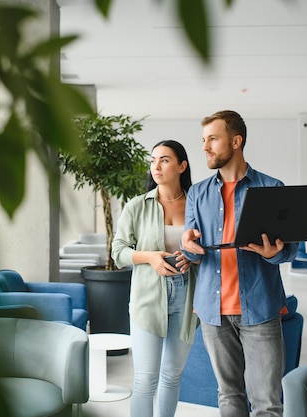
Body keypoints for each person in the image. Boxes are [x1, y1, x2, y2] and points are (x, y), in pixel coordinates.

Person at [180, 110, 299, 417]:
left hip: (259, 308)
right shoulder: (197, 193)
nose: (205, 147)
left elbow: (288, 252)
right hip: (212, 312)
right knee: (228, 394)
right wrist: (187, 245)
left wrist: (271, 252)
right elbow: (194, 254)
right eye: (203, 140)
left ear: (236, 141)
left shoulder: (272, 188)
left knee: (267, 403)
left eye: (213, 139)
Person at [112, 140, 199, 417]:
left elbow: (208, 248)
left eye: (164, 160)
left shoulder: (198, 204)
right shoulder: (137, 206)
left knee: (172, 376)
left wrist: (193, 257)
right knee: (145, 380)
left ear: (182, 166)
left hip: (187, 296)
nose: (156, 166)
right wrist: (150, 257)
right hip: (148, 296)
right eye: (153, 160)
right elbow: (118, 252)